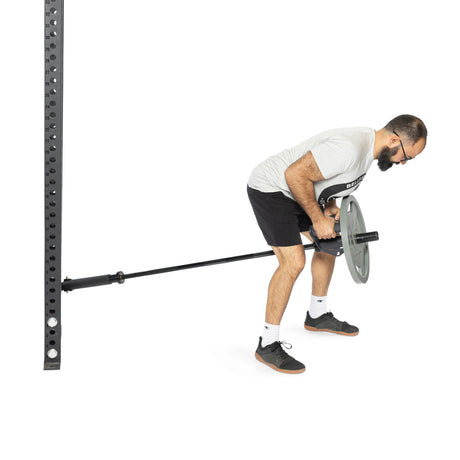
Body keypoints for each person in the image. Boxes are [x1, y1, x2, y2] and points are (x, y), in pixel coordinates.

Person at [247, 114, 427, 374]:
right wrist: (317, 218)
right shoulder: (350, 148)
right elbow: (294, 174)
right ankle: (267, 343)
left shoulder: (368, 154)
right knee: (293, 262)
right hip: (272, 189)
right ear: (394, 140)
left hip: (297, 190)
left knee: (330, 242)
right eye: (407, 156)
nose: (403, 163)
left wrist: (329, 209)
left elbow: (327, 181)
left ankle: (317, 315)